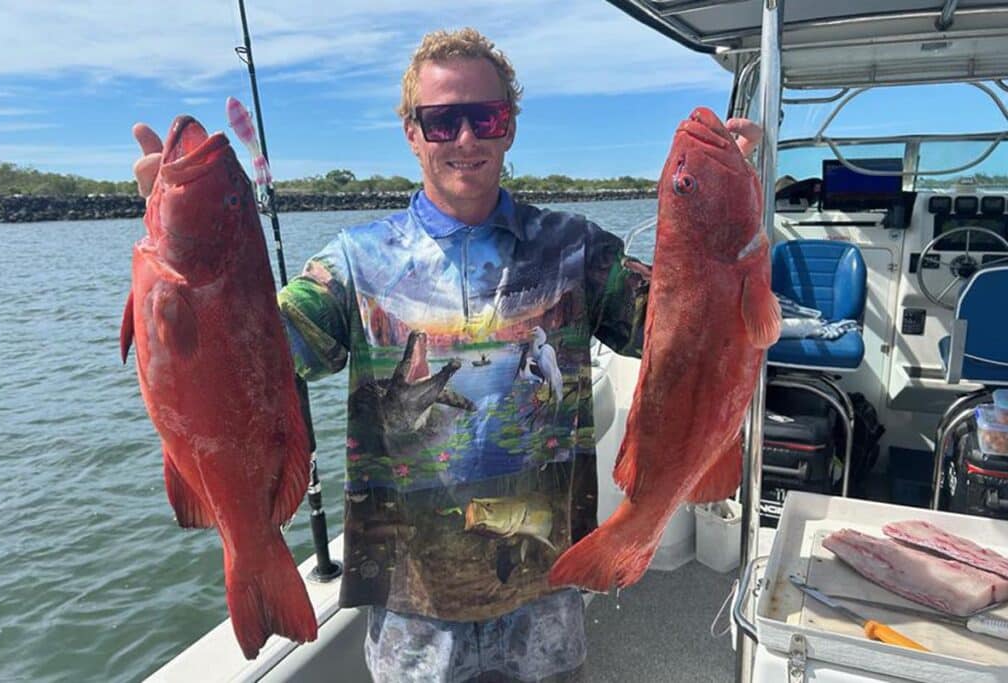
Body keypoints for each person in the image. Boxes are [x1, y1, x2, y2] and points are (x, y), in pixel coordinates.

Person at [133, 27, 761, 683]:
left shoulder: (576, 249)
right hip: (413, 637)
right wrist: (183, 243)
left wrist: (722, 216)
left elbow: (686, 336)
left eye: (484, 116)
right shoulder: (354, 263)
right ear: (412, 131)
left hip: (545, 617)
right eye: (441, 120)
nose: (465, 138)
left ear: (508, 126)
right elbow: (253, 357)